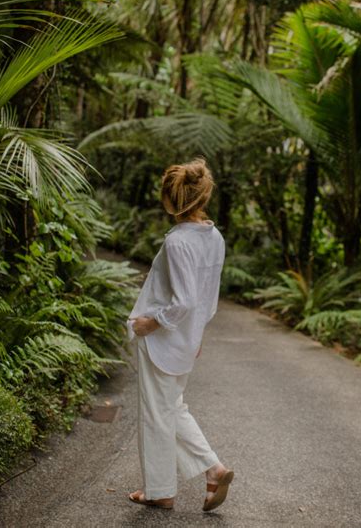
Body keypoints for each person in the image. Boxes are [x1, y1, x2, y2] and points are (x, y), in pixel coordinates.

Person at [126, 156, 234, 512]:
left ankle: (160, 491)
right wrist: (197, 336)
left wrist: (149, 323)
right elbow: (208, 300)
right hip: (185, 340)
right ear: (202, 197)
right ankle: (213, 469)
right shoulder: (214, 237)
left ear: (172, 200)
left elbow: (184, 300)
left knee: (157, 414)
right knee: (172, 408)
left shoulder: (177, 241)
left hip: (162, 338)